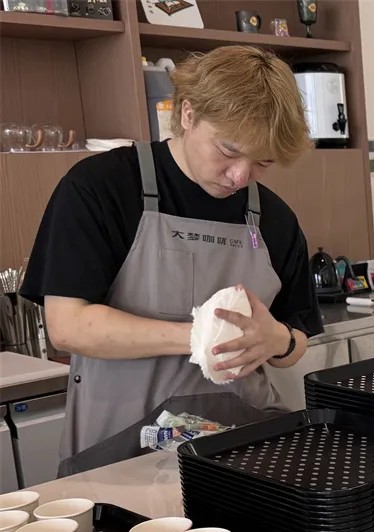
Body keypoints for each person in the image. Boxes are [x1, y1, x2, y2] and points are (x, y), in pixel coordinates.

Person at [19, 46, 324, 475]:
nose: (241, 176)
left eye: (263, 162)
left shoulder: (275, 218)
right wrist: (201, 337)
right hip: (119, 454)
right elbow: (68, 325)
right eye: (228, 150)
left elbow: (297, 336)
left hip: (242, 453)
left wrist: (277, 341)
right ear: (188, 114)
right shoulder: (101, 187)